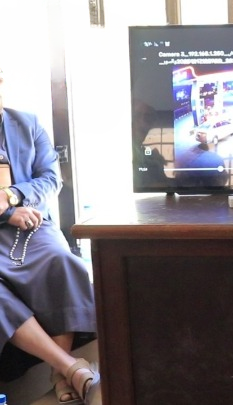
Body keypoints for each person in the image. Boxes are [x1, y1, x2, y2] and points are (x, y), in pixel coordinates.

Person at [0, 68, 100, 404]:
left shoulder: (26, 124)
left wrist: (13, 195)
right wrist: (6, 214)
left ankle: (60, 373)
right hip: (7, 223)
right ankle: (68, 367)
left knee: (60, 260)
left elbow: (51, 179)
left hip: (32, 224)